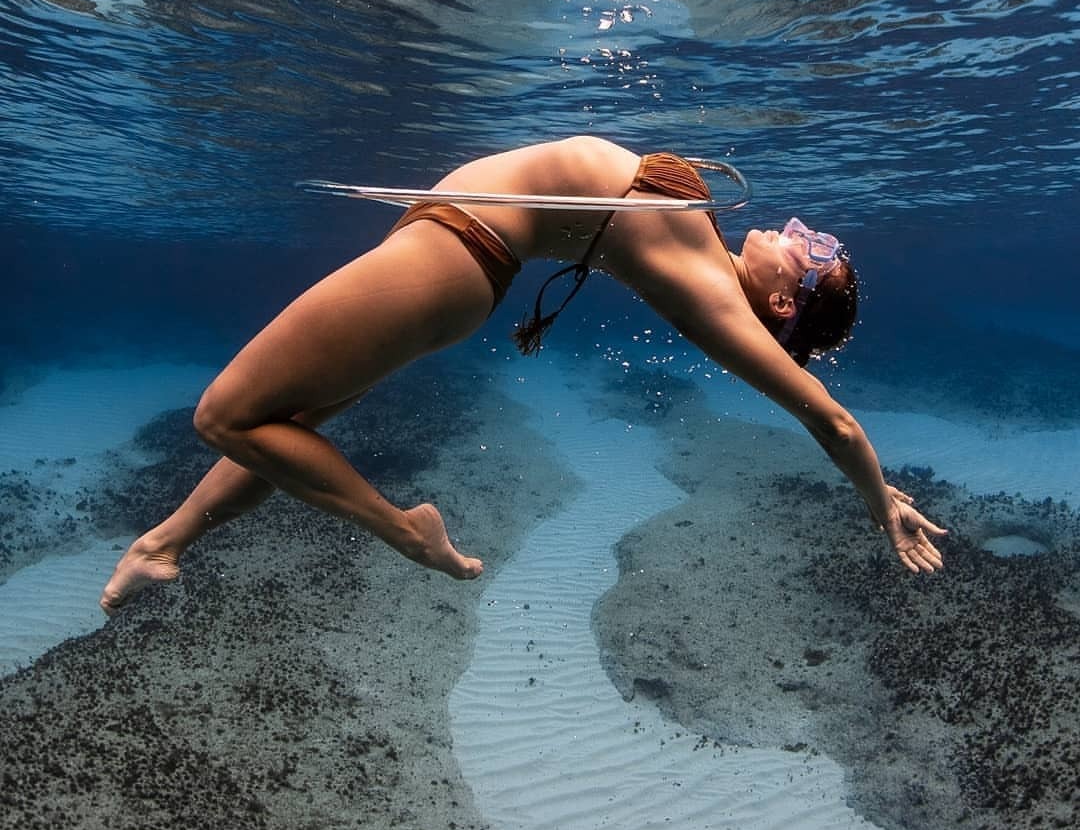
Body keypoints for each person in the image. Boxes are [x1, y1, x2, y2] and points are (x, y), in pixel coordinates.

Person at [99, 136, 945, 613]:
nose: (802, 235)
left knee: (225, 415)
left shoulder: (716, 299)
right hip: (448, 247)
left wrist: (883, 506)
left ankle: (404, 530)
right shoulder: (710, 254)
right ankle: (160, 545)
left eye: (815, 255)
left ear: (785, 306)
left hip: (462, 255)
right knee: (289, 419)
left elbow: (829, 419)